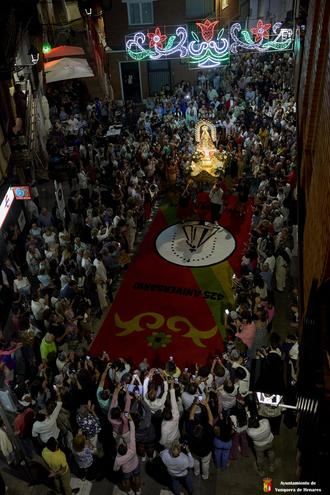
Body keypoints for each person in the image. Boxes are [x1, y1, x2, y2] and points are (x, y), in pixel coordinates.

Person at [113, 418, 141, 495]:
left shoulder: (118, 459)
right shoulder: (132, 448)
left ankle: (129, 491)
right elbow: (132, 432)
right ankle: (137, 490)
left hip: (126, 470)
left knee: (126, 480)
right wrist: (131, 420)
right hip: (135, 465)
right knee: (137, 477)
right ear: (126, 447)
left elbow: (115, 469)